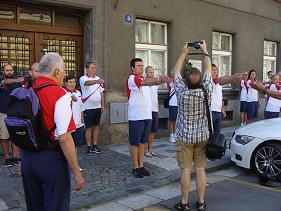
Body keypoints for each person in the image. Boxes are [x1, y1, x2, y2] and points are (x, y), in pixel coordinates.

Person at [21, 53, 84, 210]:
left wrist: (22, 160)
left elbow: (23, 127)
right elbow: (65, 138)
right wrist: (76, 171)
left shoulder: (27, 90)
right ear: (56, 71)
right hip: (50, 159)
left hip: (28, 157)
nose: (63, 75)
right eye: (63, 71)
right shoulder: (59, 93)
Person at [173, 41, 211, 211]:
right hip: (202, 136)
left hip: (185, 137)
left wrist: (184, 53)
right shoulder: (206, 90)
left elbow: (175, 72)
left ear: (186, 80)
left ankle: (184, 202)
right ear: (200, 80)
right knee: (201, 169)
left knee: (186, 170)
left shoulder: (181, 90)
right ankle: (201, 202)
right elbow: (209, 69)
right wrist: (204, 50)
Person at [126, 58, 171, 178]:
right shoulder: (132, 78)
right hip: (136, 116)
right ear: (132, 68)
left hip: (147, 115)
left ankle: (141, 166)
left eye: (142, 65)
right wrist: (157, 79)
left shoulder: (144, 79)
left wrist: (162, 80)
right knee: (135, 143)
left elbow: (149, 82)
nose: (141, 67)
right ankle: (135, 167)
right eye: (139, 66)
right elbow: (143, 83)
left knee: (142, 142)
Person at [0, 64, 24, 167]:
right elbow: (5, 82)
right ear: (3, 72)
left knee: (15, 137)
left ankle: (15, 157)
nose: (9, 72)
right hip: (3, 112)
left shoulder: (17, 83)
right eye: (7, 70)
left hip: (15, 113)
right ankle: (7, 159)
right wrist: (18, 80)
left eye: (10, 70)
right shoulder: (2, 80)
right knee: (4, 137)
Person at [210, 64, 241, 141]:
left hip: (218, 111)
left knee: (217, 132)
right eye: (213, 69)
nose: (215, 71)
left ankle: (215, 149)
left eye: (216, 70)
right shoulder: (209, 81)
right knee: (209, 132)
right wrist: (232, 78)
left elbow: (219, 97)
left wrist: (222, 109)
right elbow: (223, 79)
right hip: (210, 111)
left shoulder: (219, 83)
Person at [80, 62, 105, 155]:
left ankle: (95, 145)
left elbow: (101, 93)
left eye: (94, 67)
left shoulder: (97, 78)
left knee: (96, 126)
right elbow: (87, 83)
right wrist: (96, 81)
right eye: (91, 67)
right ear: (87, 69)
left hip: (97, 107)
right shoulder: (83, 78)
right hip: (88, 107)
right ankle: (88, 146)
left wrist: (102, 105)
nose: (93, 69)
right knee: (88, 127)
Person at [65, 75, 85, 149]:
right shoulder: (63, 93)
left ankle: (74, 159)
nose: (72, 84)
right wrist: (69, 97)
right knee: (68, 146)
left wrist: (82, 118)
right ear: (66, 83)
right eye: (70, 82)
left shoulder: (78, 93)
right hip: (68, 124)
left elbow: (81, 106)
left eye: (74, 82)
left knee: (76, 145)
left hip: (78, 124)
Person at [144, 66, 159, 158]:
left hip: (154, 110)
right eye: (150, 72)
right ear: (146, 73)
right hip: (147, 110)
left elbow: (155, 96)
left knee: (153, 131)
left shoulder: (155, 84)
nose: (152, 74)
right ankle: (145, 150)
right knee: (146, 131)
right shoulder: (144, 83)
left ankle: (150, 149)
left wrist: (157, 108)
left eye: (153, 72)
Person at [167, 72, 178, 143]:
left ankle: (175, 134)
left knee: (177, 121)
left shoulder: (180, 81)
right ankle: (171, 135)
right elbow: (168, 88)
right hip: (173, 103)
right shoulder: (170, 81)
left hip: (179, 104)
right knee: (172, 120)